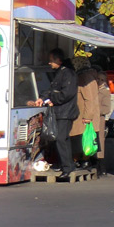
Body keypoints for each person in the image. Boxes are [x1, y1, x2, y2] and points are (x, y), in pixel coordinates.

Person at [33, 48, 79, 178]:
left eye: (51, 61)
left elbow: (66, 94)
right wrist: (43, 98)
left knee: (61, 139)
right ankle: (67, 165)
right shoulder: (61, 72)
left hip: (66, 111)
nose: (49, 63)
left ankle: (67, 167)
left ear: (59, 60)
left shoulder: (68, 73)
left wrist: (53, 99)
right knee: (62, 139)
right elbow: (52, 89)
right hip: (61, 111)